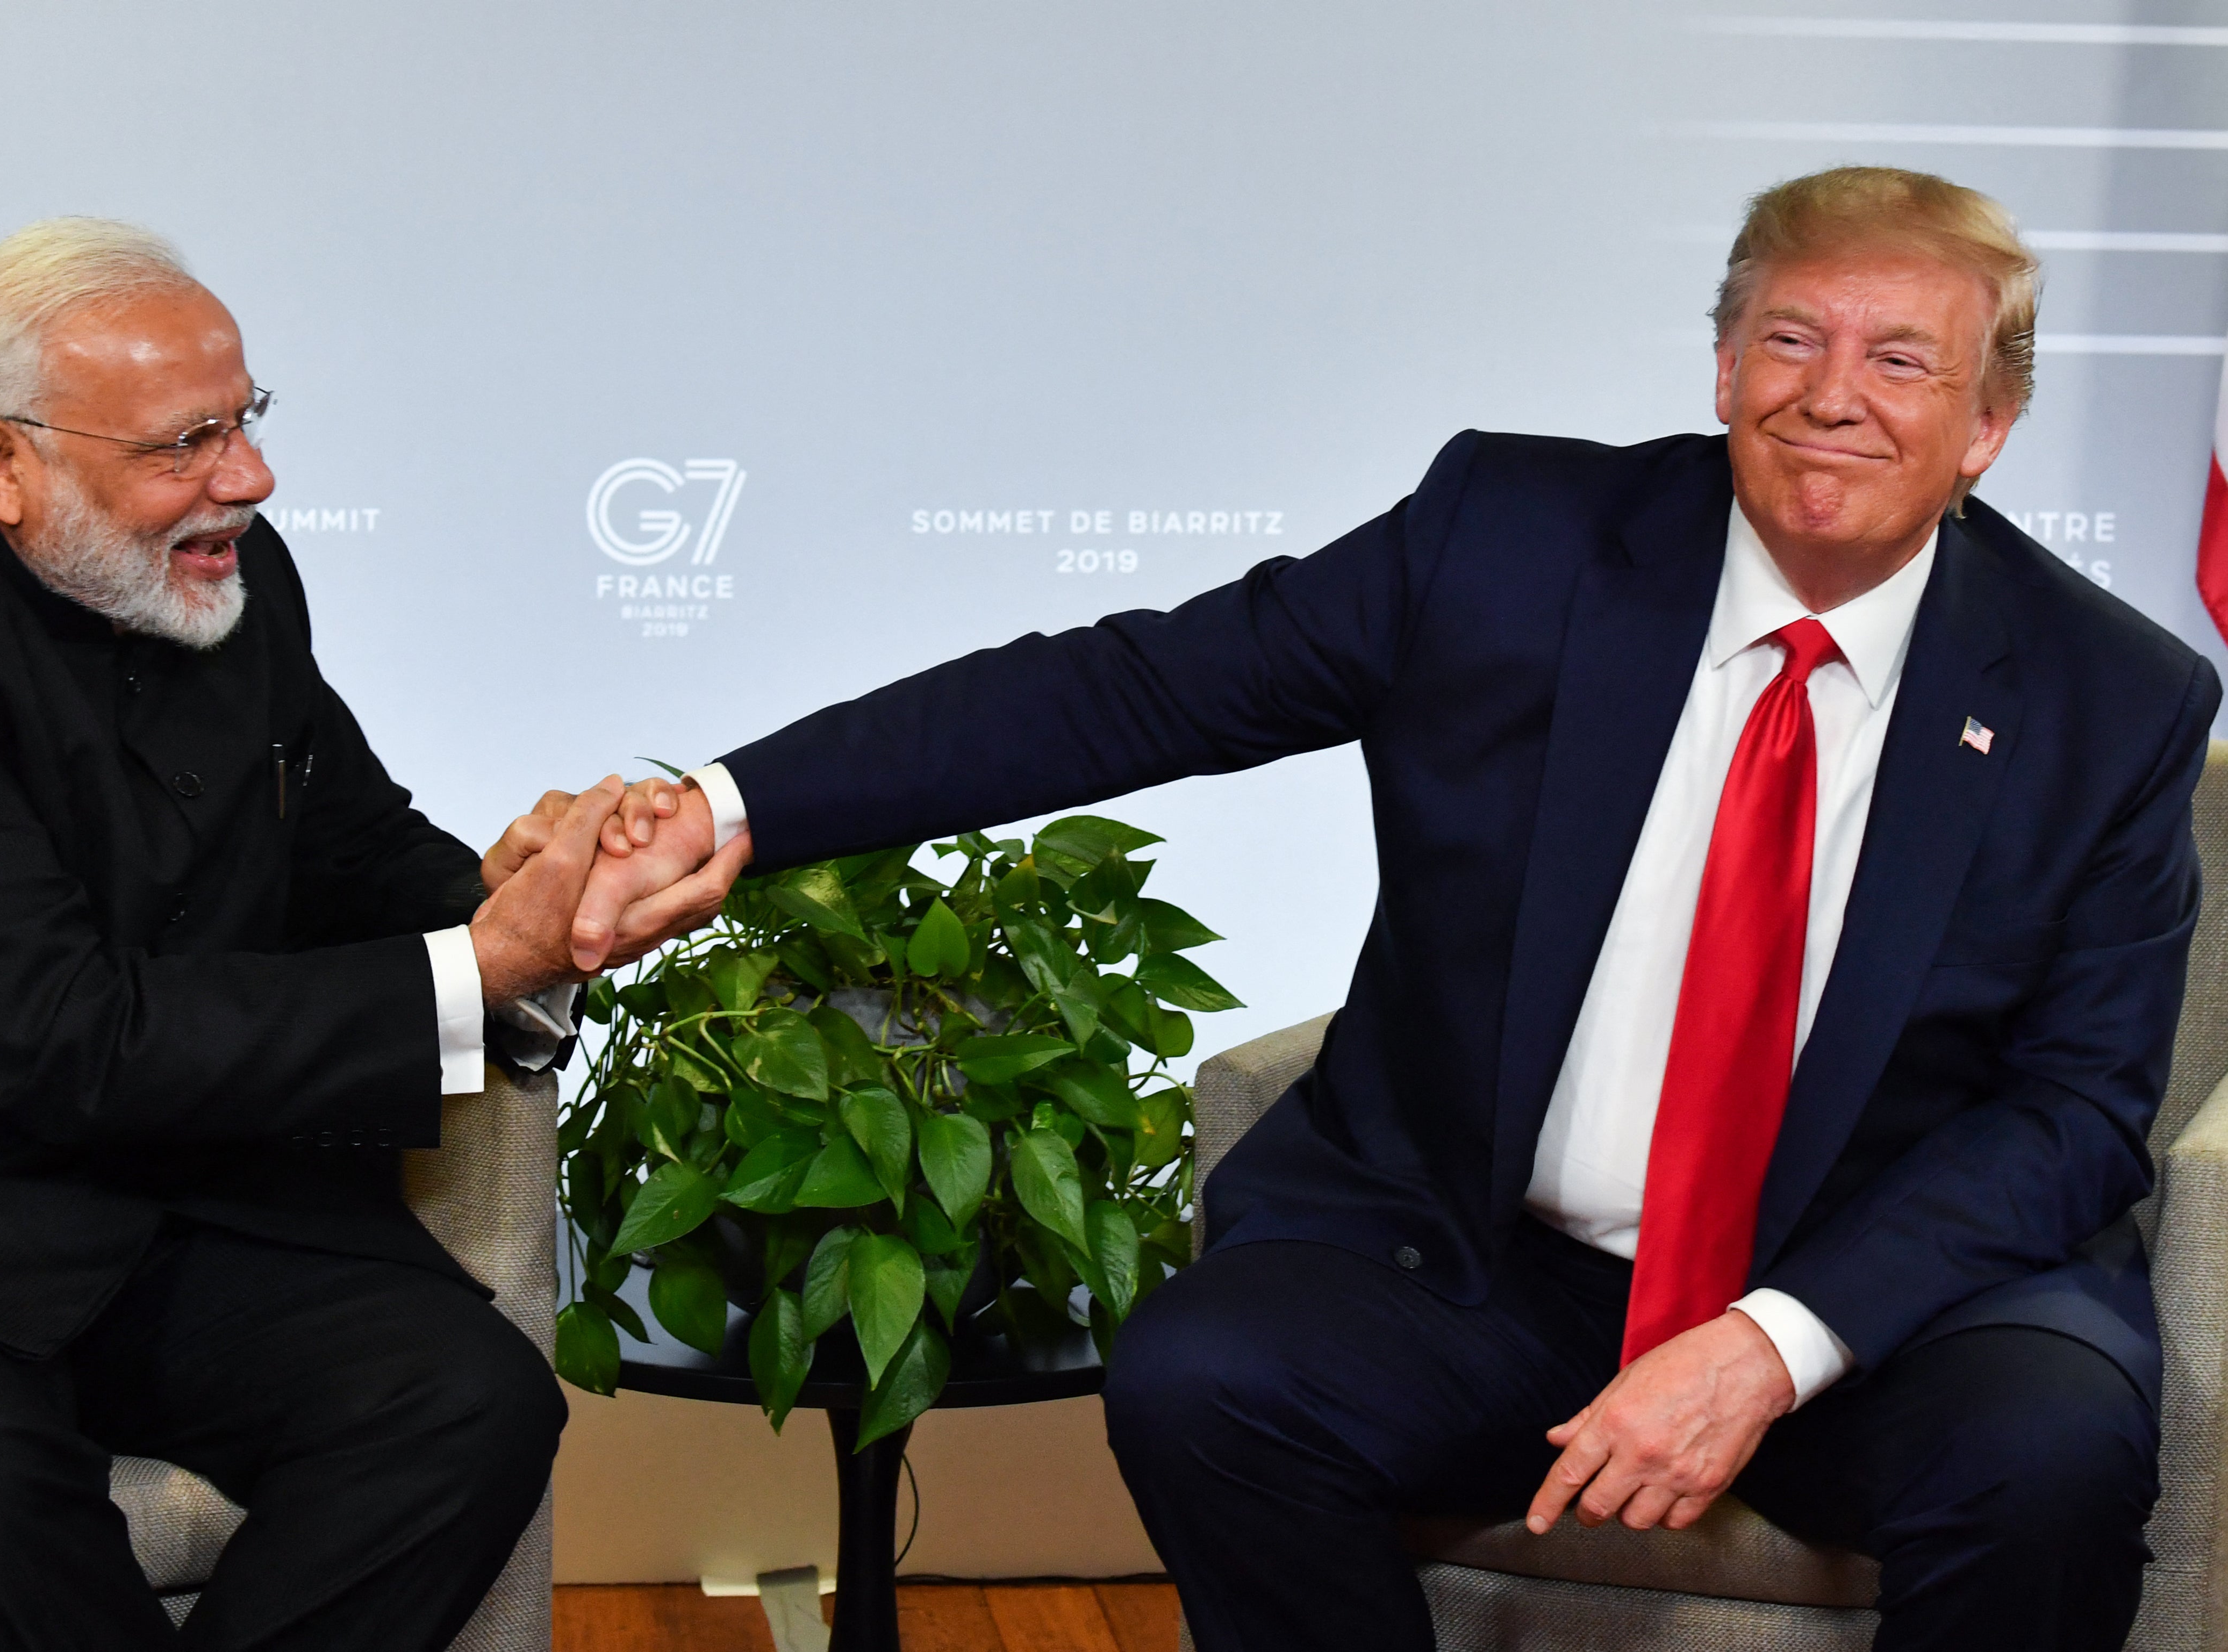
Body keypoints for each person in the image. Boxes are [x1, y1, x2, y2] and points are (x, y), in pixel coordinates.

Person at [569, 167, 2216, 1651]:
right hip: (1498, 1266)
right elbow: (1129, 690)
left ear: (1987, 424)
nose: (1829, 399)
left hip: (1877, 1302)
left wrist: (1770, 1343)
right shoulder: (1510, 539)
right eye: (1790, 342)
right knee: (1207, 1374)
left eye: (1900, 361)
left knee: (2046, 1457)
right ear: (1721, 370)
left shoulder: (2108, 699)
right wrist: (730, 805)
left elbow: (2072, 1112)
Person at [0, 219, 742, 1652]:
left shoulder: (231, 568)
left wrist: (529, 907)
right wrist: (479, 970)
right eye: (186, 442)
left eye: (247, 419)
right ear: (0, 463)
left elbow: (340, 842)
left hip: (159, 1203)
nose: (251, 477)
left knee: (467, 1397)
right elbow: (59, 1039)